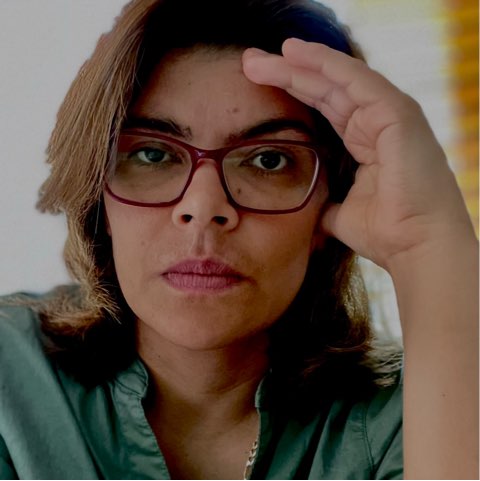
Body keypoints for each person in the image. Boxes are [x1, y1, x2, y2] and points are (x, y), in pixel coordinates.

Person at [0, 0, 477, 479]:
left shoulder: (419, 416)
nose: (204, 207)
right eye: (152, 154)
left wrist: (426, 246)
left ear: (328, 208)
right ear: (99, 199)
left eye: (269, 160)